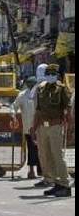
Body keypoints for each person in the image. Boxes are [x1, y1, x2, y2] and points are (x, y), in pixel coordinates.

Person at [32, 64, 72, 197]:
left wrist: (70, 127)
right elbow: (38, 110)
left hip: (55, 126)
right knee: (46, 156)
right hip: (42, 126)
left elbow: (68, 109)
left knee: (57, 156)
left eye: (52, 74)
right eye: (48, 74)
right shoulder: (40, 89)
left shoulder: (62, 89)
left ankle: (65, 185)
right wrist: (34, 127)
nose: (50, 76)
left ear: (57, 75)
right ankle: (56, 183)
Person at [13, 76, 42, 179]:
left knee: (42, 150)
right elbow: (14, 106)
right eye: (29, 84)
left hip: (40, 127)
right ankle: (31, 171)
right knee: (31, 149)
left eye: (32, 85)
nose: (31, 87)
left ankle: (42, 171)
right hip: (28, 128)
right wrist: (14, 116)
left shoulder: (40, 94)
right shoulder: (22, 95)